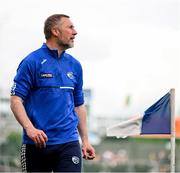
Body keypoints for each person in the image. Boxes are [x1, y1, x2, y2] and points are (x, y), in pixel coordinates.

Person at [10, 14, 95, 172]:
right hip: (36, 144)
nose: (75, 32)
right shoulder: (32, 62)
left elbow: (79, 106)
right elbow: (15, 101)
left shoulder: (75, 65)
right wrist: (30, 128)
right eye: (70, 27)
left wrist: (85, 140)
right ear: (55, 31)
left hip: (68, 143)